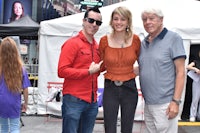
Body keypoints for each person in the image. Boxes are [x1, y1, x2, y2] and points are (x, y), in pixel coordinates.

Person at [138, 8, 186, 133]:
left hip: (166, 104)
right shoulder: (143, 43)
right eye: (145, 19)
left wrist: (175, 102)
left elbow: (181, 72)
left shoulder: (173, 38)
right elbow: (145, 68)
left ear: (161, 20)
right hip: (148, 103)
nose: (148, 22)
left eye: (152, 18)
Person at [57, 6, 103, 133]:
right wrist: (88, 71)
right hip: (74, 100)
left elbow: (96, 71)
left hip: (92, 102)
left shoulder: (97, 46)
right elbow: (62, 71)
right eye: (91, 20)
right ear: (83, 21)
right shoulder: (72, 43)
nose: (94, 25)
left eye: (98, 22)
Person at [99, 6, 141, 133]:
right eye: (116, 19)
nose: (119, 22)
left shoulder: (135, 40)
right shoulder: (104, 41)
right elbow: (101, 64)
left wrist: (135, 70)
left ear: (128, 22)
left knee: (127, 128)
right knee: (109, 127)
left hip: (129, 87)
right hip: (110, 87)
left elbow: (143, 61)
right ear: (111, 22)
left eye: (122, 19)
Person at [0, 37, 30, 133]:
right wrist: (25, 103)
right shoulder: (21, 69)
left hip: (1, 102)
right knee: (14, 127)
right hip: (14, 102)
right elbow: (25, 88)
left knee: (3, 128)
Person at [186, 50, 200, 122]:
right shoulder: (196, 61)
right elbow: (187, 67)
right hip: (197, 81)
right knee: (195, 99)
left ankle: (199, 115)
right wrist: (195, 69)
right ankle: (192, 115)